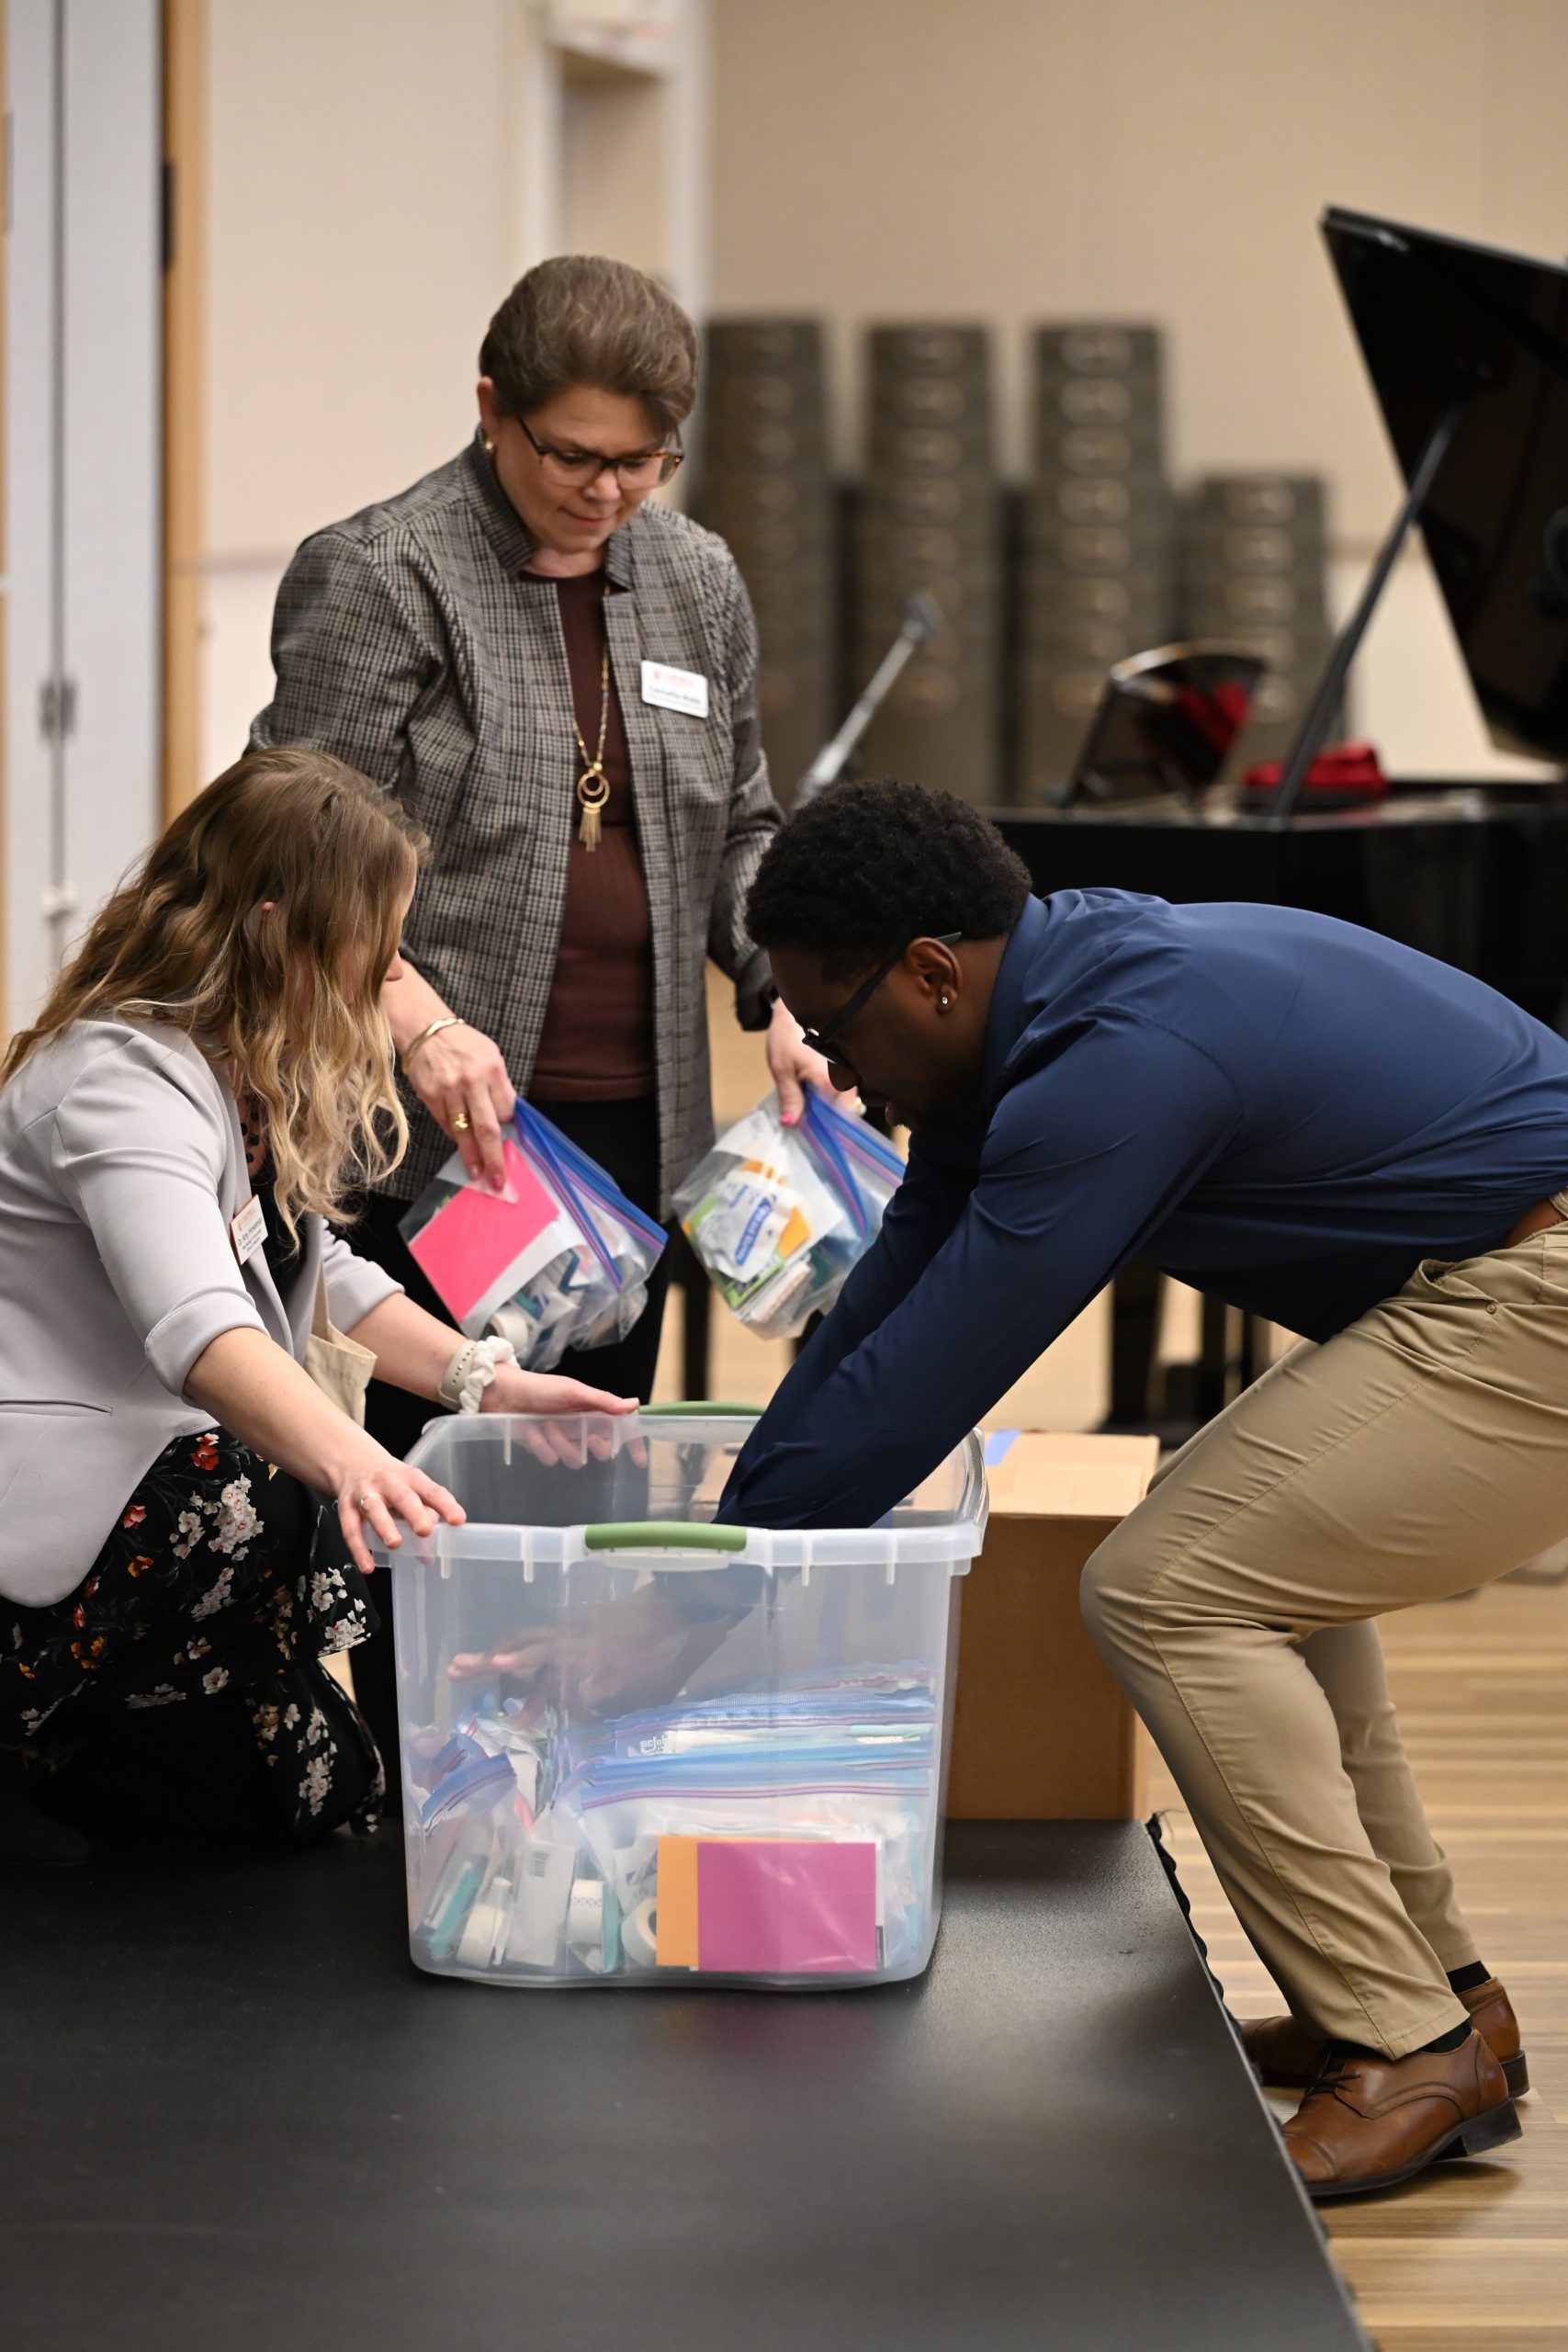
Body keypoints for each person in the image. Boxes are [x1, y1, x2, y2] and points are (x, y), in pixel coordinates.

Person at [718, 775, 1568, 2200]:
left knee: (1163, 1588)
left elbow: (939, 1378)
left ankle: (1410, 2046)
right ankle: (1433, 1993)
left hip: (1537, 1291)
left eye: (833, 1020)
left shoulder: (1116, 1057)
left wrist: (700, 1604)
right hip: (1489, 1277)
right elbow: (883, 1311)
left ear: (931, 974)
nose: (835, 1071)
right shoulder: (1041, 1009)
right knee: (1246, 1566)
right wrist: (730, 1529)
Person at [250, 252, 831, 1761]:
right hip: (421, 1129)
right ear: (492, 410)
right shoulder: (382, 572)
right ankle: (401, 1771)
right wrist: (418, 1014)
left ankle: (557, 1766)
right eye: (572, 456)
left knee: (585, 1454)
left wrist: (787, 987)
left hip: (626, 1128)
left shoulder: (692, 576)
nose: (605, 492)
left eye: (641, 462)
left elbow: (743, 824)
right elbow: (294, 853)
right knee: (427, 1491)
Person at [0, 750, 635, 1870]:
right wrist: (351, 1461)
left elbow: (317, 1273)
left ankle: (85, 1745)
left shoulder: (235, 1063)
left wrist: (487, 1381)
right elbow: (198, 1326)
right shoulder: (114, 1075)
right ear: (271, 926)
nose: (392, 976)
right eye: (374, 946)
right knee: (261, 1486)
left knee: (320, 1787)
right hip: (89, 1503)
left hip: (173, 1517)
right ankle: (50, 1715)